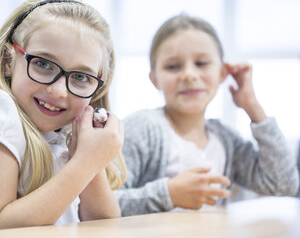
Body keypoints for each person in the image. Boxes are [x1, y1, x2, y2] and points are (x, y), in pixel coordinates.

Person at [0, 0, 126, 232]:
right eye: (43, 64)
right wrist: (86, 162)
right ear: (8, 60)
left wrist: (89, 155)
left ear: (97, 86)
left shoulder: (70, 129)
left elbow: (105, 226)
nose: (58, 91)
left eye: (80, 77)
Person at [114, 14, 299, 216]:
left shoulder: (226, 140)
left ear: (222, 73)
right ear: (155, 79)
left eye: (201, 63)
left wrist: (253, 107)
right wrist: (168, 194)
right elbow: (104, 205)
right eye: (173, 66)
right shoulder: (142, 128)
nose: (189, 75)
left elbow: (284, 185)